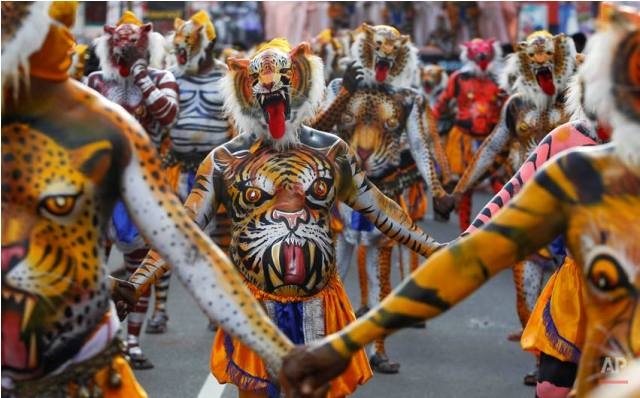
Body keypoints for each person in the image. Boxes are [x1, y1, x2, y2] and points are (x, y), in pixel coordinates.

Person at [279, 5, 640, 397]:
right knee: (552, 386)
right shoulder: (572, 156)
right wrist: (346, 343)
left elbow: (426, 145)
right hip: (575, 300)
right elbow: (479, 240)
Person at [1, 2, 294, 396]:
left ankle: (141, 329)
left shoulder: (103, 123)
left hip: (84, 367)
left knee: (161, 250)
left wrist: (277, 351)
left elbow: (188, 249)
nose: (70, 44)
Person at [125, 38, 446, 397]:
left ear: (301, 84)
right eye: (260, 85)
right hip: (256, 313)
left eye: (281, 80)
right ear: (245, 91)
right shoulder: (222, 160)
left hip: (320, 308)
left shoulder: (332, 151)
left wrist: (434, 248)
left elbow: (379, 206)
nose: (271, 92)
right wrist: (136, 282)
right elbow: (181, 230)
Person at [311, 23, 450, 373]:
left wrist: (438, 190)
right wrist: (344, 90)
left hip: (382, 195)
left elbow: (419, 146)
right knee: (330, 274)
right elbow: (315, 132)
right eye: (378, 48)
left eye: (392, 49)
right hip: (339, 196)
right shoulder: (337, 86)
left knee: (379, 277)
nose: (384, 55)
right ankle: (321, 345)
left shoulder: (407, 98)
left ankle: (377, 348)